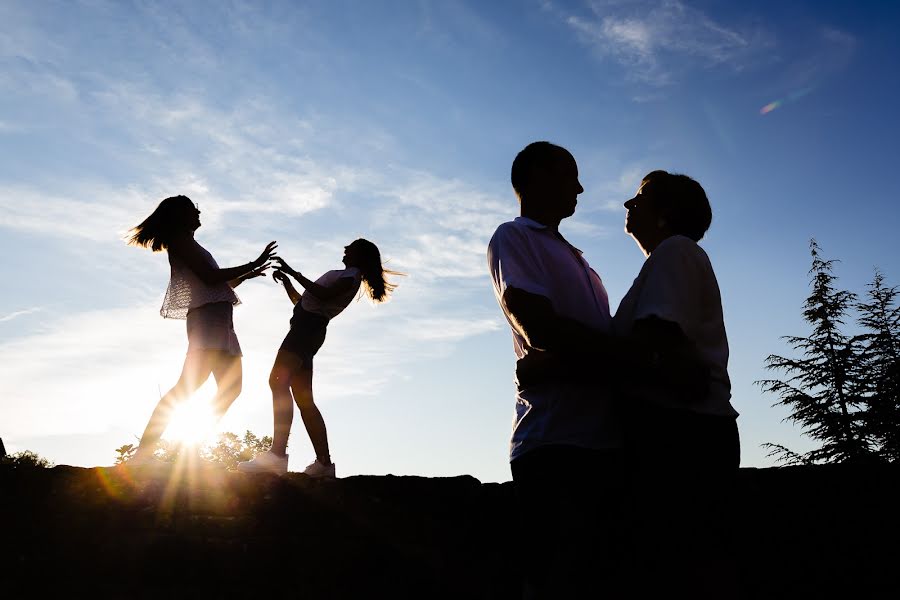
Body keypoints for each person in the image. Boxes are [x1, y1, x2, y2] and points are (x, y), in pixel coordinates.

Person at [487, 141, 623, 598]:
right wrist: (624, 357)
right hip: (553, 442)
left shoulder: (580, 259)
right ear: (537, 178)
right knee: (553, 580)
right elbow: (536, 321)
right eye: (571, 175)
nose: (581, 188)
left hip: (600, 441)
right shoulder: (514, 236)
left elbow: (565, 339)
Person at [614, 170, 739, 598]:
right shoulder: (670, 259)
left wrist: (571, 361)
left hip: (679, 436)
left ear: (665, 214)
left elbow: (657, 337)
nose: (628, 206)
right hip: (687, 431)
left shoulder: (675, 253)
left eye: (640, 198)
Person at [125, 195, 276, 464]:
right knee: (187, 388)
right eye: (193, 210)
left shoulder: (191, 244)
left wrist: (243, 276)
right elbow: (209, 278)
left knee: (230, 389)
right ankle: (146, 454)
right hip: (207, 322)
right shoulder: (181, 243)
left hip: (219, 321)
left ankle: (189, 451)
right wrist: (253, 262)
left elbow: (214, 286)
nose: (198, 213)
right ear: (181, 216)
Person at [238, 239, 400, 477]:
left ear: (360, 255)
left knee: (277, 382)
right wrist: (288, 282)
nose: (345, 249)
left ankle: (277, 455)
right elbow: (303, 301)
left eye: (351, 248)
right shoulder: (349, 276)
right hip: (309, 330)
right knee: (304, 399)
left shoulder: (350, 276)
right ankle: (323, 464)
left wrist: (294, 271)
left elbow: (322, 294)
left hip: (305, 331)